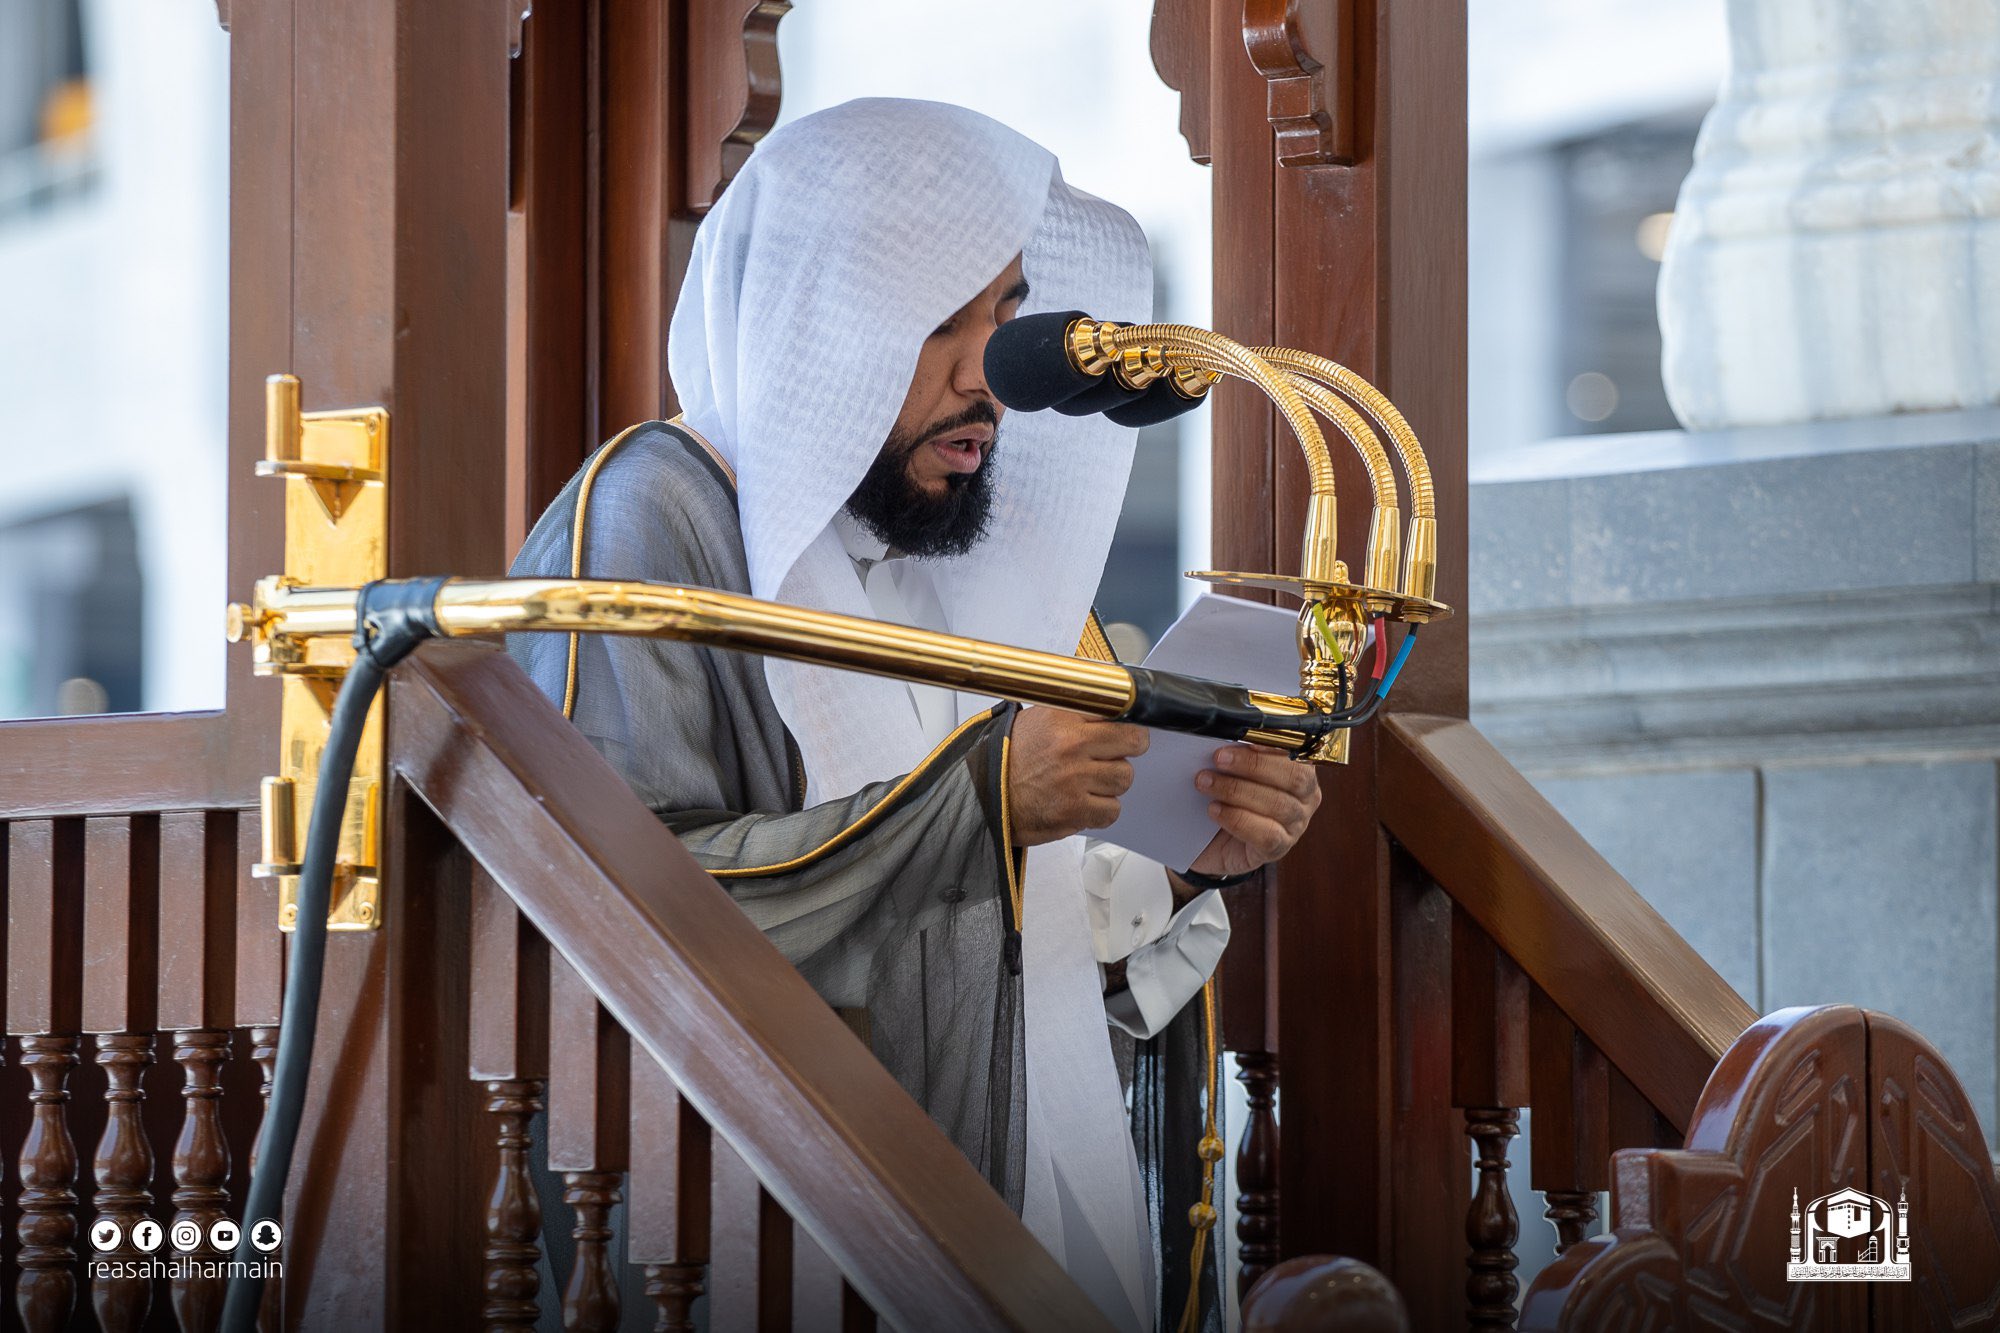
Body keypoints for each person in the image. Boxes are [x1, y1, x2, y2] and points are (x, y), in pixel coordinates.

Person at [508, 98, 1321, 1332]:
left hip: (969, 1220)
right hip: (757, 1232)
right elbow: (608, 912)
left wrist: (1176, 862)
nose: (981, 377)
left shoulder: (945, 557)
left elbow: (999, 974)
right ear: (811, 322)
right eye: (932, 320)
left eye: (996, 318)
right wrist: (981, 803)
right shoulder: (648, 519)